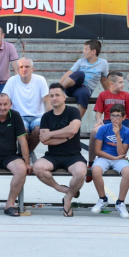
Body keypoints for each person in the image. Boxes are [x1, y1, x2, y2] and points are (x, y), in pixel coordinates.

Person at [33, 83, 87, 217]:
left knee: (80, 173)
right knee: (37, 167)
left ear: (64, 97)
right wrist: (67, 137)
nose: (54, 98)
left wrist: (51, 134)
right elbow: (45, 140)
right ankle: (61, 189)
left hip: (73, 155)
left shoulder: (73, 111)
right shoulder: (46, 116)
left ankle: (68, 198)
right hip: (53, 155)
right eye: (51, 96)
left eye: (57, 95)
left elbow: (73, 129)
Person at [2, 57, 50, 163]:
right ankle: (28, 153)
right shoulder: (12, 81)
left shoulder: (40, 80)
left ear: (32, 69)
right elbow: (5, 99)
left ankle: (26, 153)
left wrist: (50, 118)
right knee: (22, 131)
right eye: (21, 67)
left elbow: (47, 101)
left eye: (27, 67)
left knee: (38, 129)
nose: (24, 69)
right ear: (18, 69)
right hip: (19, 116)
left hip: (38, 116)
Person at [87, 71, 129, 173]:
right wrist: (98, 120)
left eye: (123, 82)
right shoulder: (103, 95)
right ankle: (91, 162)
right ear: (111, 84)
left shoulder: (126, 95)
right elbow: (98, 113)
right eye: (120, 82)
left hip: (124, 122)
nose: (123, 84)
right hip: (108, 122)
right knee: (93, 132)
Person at [90, 104, 129, 218]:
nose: (115, 119)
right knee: (95, 170)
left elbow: (121, 153)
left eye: (118, 116)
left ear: (124, 118)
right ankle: (103, 199)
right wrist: (112, 158)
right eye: (112, 116)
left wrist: (118, 135)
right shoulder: (103, 129)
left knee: (128, 171)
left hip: (120, 158)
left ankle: (120, 202)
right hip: (105, 157)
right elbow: (97, 151)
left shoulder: (127, 132)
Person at [59, 40, 109, 118]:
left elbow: (104, 80)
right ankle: (59, 89)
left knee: (84, 93)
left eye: (86, 49)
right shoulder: (81, 61)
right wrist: (58, 86)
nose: (83, 52)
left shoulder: (103, 63)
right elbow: (69, 73)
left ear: (93, 51)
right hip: (72, 87)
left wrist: (110, 93)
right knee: (80, 74)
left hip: (85, 89)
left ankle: (75, 121)